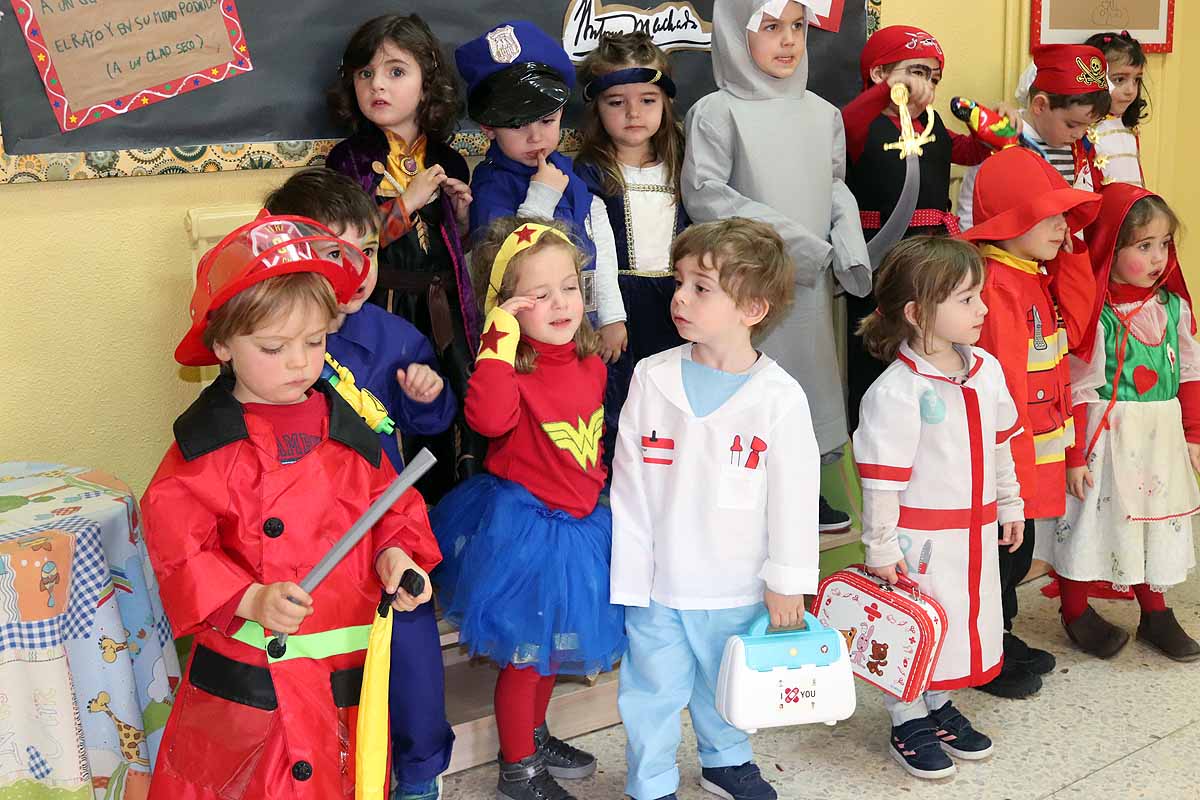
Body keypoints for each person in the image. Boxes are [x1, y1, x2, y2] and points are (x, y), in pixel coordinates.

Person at [140, 214, 441, 799]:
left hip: (341, 677)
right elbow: (178, 547)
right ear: (223, 345)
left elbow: (389, 508)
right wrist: (250, 597)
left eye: (315, 343)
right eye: (274, 348)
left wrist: (397, 558)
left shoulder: (348, 430)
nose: (301, 363)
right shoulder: (208, 446)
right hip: (254, 688)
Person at [263, 169, 459, 798]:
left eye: (368, 252)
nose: (358, 270)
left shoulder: (392, 336)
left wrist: (428, 398)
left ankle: (419, 778)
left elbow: (432, 421)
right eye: (333, 254)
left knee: (412, 665)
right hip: (303, 541)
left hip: (385, 531)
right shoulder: (269, 348)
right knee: (318, 674)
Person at [611, 218, 819, 800]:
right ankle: (649, 781)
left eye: (701, 288)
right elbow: (629, 486)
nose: (679, 297)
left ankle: (726, 760)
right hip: (659, 583)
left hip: (738, 583)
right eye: (679, 282)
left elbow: (795, 498)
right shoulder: (653, 378)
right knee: (651, 689)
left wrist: (787, 580)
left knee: (726, 682)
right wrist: (631, 576)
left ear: (752, 307)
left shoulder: (779, 397)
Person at [429, 217, 626, 800]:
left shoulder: (589, 361)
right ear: (508, 306)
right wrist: (497, 341)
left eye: (569, 286)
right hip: (526, 530)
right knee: (525, 657)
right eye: (538, 296)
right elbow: (487, 422)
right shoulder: (510, 370)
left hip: (581, 522)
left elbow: (589, 438)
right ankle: (517, 769)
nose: (561, 303)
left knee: (546, 650)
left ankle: (533, 737)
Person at [682, 0, 871, 533]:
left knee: (806, 378)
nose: (788, 40)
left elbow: (835, 186)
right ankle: (744, 493)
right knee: (748, 380)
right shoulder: (717, 113)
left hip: (810, 292)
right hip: (746, 288)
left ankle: (800, 490)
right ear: (735, 34)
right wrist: (800, 246)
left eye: (797, 27)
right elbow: (707, 195)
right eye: (770, 28)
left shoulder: (822, 114)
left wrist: (850, 246)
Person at [855, 237, 1025, 779]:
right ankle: (907, 717)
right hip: (918, 542)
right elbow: (882, 481)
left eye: (980, 297)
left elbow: (1000, 443)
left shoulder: (987, 371)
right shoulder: (896, 392)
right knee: (916, 628)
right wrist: (880, 546)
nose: (982, 309)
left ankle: (936, 702)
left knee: (955, 625)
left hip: (973, 535)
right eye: (967, 299)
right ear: (917, 313)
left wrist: (1011, 502)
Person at [957, 146, 1102, 697]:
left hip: (1033, 457)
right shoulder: (995, 286)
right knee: (998, 559)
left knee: (1013, 560)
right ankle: (983, 652)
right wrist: (1008, 484)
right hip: (1007, 465)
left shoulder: (1031, 276)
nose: (1063, 226)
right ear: (1009, 221)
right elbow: (1001, 397)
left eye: (1065, 213)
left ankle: (1000, 634)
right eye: (1049, 214)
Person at [326, 14, 483, 495]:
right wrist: (406, 203)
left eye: (396, 71)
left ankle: (439, 505)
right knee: (387, 403)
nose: (378, 85)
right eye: (365, 74)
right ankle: (386, 504)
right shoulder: (348, 159)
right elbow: (350, 243)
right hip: (382, 305)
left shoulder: (448, 157)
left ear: (427, 81)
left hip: (440, 311)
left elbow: (450, 249)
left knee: (445, 401)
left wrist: (458, 219)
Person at [842, 24, 1017, 430]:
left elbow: (973, 151)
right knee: (879, 347)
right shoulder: (859, 125)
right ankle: (875, 434)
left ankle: (937, 426)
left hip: (935, 257)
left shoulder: (934, 125)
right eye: (917, 72)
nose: (927, 86)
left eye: (933, 78)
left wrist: (996, 125)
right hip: (881, 260)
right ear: (878, 75)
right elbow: (847, 122)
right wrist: (889, 93)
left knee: (932, 342)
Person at [1055, 183, 1200, 662]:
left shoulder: (1173, 309)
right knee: (1091, 523)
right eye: (1144, 246)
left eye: (1164, 244)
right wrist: (1074, 455)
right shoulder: (1097, 318)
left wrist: (1194, 434)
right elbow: (1076, 388)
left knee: (1153, 524)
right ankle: (1075, 610)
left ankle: (1155, 612)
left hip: (1159, 441)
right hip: (1108, 440)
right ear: (1108, 250)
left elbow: (1191, 374)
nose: (1159, 257)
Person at [456, 20, 626, 342]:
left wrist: (611, 315)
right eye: (518, 125)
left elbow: (596, 235)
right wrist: (542, 195)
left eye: (547, 120)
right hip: (526, 337)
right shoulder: (491, 186)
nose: (536, 137)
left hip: (580, 319)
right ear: (488, 127)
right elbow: (504, 264)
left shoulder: (563, 166)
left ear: (562, 112)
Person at [575, 30, 690, 471]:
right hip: (620, 308)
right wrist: (607, 314)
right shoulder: (590, 173)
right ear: (597, 108)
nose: (633, 113)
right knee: (620, 406)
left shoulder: (684, 166)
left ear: (665, 103)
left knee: (673, 403)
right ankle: (616, 491)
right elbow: (593, 252)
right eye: (616, 102)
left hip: (678, 304)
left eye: (647, 100)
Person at [958, 44, 1112, 229]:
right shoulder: (1005, 135)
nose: (1079, 134)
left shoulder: (1075, 147)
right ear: (1040, 105)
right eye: (1072, 124)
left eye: (1088, 126)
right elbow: (972, 203)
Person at [1081, 31, 1150, 188]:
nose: (1131, 90)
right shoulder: (1082, 131)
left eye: (1136, 80)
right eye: (1119, 80)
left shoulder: (1128, 127)